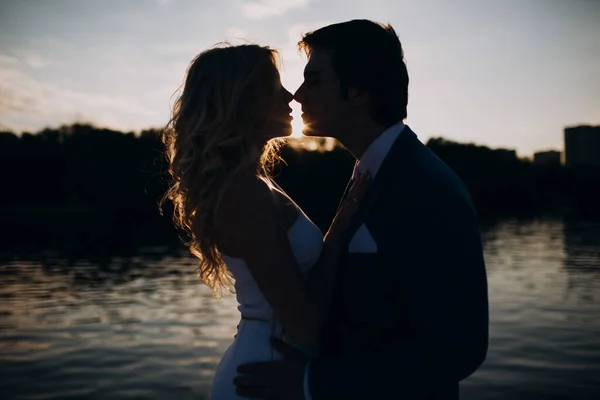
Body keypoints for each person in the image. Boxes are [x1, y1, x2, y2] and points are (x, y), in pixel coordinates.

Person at [234, 20, 490, 399]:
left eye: (315, 80)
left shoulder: (425, 188)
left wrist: (312, 383)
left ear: (358, 93)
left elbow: (457, 349)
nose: (298, 95)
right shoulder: (369, 173)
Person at [159, 43, 371, 399]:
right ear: (241, 100)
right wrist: (341, 226)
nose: (291, 96)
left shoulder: (252, 184)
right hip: (266, 376)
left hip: (273, 362)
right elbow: (303, 323)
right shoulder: (244, 194)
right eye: (275, 87)